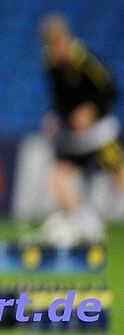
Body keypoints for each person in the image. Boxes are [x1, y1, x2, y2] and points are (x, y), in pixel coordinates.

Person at [39, 14, 124, 244]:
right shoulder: (50, 62)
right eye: (51, 42)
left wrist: (92, 110)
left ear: (66, 37)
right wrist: (56, 116)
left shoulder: (85, 60)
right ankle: (90, 226)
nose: (56, 46)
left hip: (100, 133)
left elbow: (110, 89)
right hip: (74, 136)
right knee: (57, 179)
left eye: (58, 40)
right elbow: (59, 98)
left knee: (120, 176)